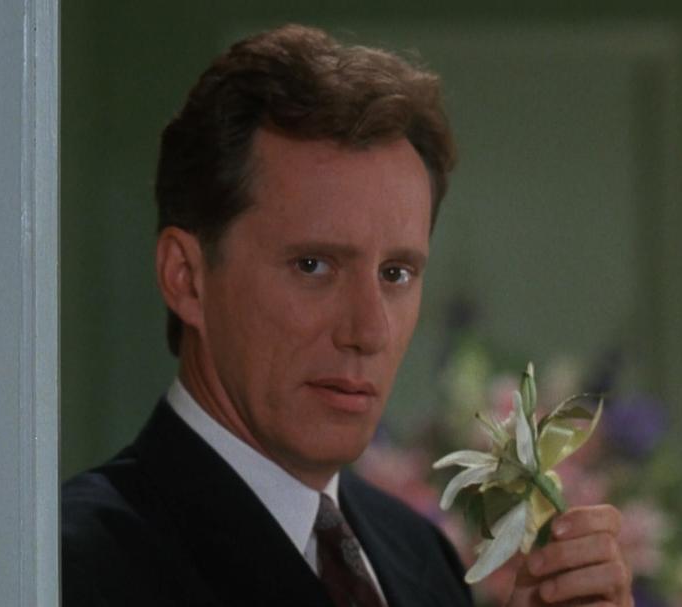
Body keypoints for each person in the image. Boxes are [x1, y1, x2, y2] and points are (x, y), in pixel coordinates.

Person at [61, 24, 633, 607]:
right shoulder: (72, 565)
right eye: (313, 265)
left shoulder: (419, 554)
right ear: (186, 277)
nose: (369, 331)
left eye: (396, 273)